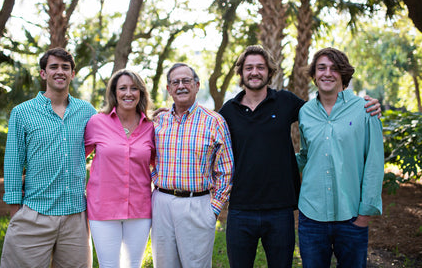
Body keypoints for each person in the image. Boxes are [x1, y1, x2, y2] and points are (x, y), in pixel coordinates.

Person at [218, 45, 381, 268]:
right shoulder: (228, 111)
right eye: (249, 68)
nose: (254, 72)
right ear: (241, 73)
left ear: (269, 72)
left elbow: (329, 119)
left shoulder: (288, 103)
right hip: (244, 209)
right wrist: (165, 114)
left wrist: (369, 106)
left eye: (260, 67)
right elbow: (204, 133)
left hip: (282, 210)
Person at [0, 48, 96, 268]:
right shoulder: (22, 112)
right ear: (43, 73)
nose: (60, 72)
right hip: (35, 214)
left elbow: (111, 137)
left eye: (65, 67)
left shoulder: (87, 111)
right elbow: (14, 162)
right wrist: (16, 213)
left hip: (76, 218)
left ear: (73, 74)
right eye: (54, 67)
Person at [297, 47, 384, 268]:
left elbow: (374, 163)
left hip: (352, 216)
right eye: (322, 68)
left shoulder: (365, 109)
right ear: (314, 75)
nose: (327, 73)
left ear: (343, 74)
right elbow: (307, 156)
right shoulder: (305, 112)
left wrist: (365, 214)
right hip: (311, 216)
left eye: (334, 69)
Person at [150, 63, 234, 268]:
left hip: (197, 204)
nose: (181, 86)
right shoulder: (158, 121)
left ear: (196, 85)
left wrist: (212, 210)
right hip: (161, 202)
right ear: (168, 89)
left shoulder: (214, 121)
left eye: (186, 81)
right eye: (175, 82)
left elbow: (226, 170)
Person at [84, 69, 155, 268]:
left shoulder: (151, 127)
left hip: (140, 209)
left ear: (141, 92)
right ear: (114, 93)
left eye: (134, 88)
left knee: (133, 265)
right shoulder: (97, 122)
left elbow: (159, 164)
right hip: (103, 208)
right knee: (109, 265)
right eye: (122, 88)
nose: (128, 93)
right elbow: (76, 157)